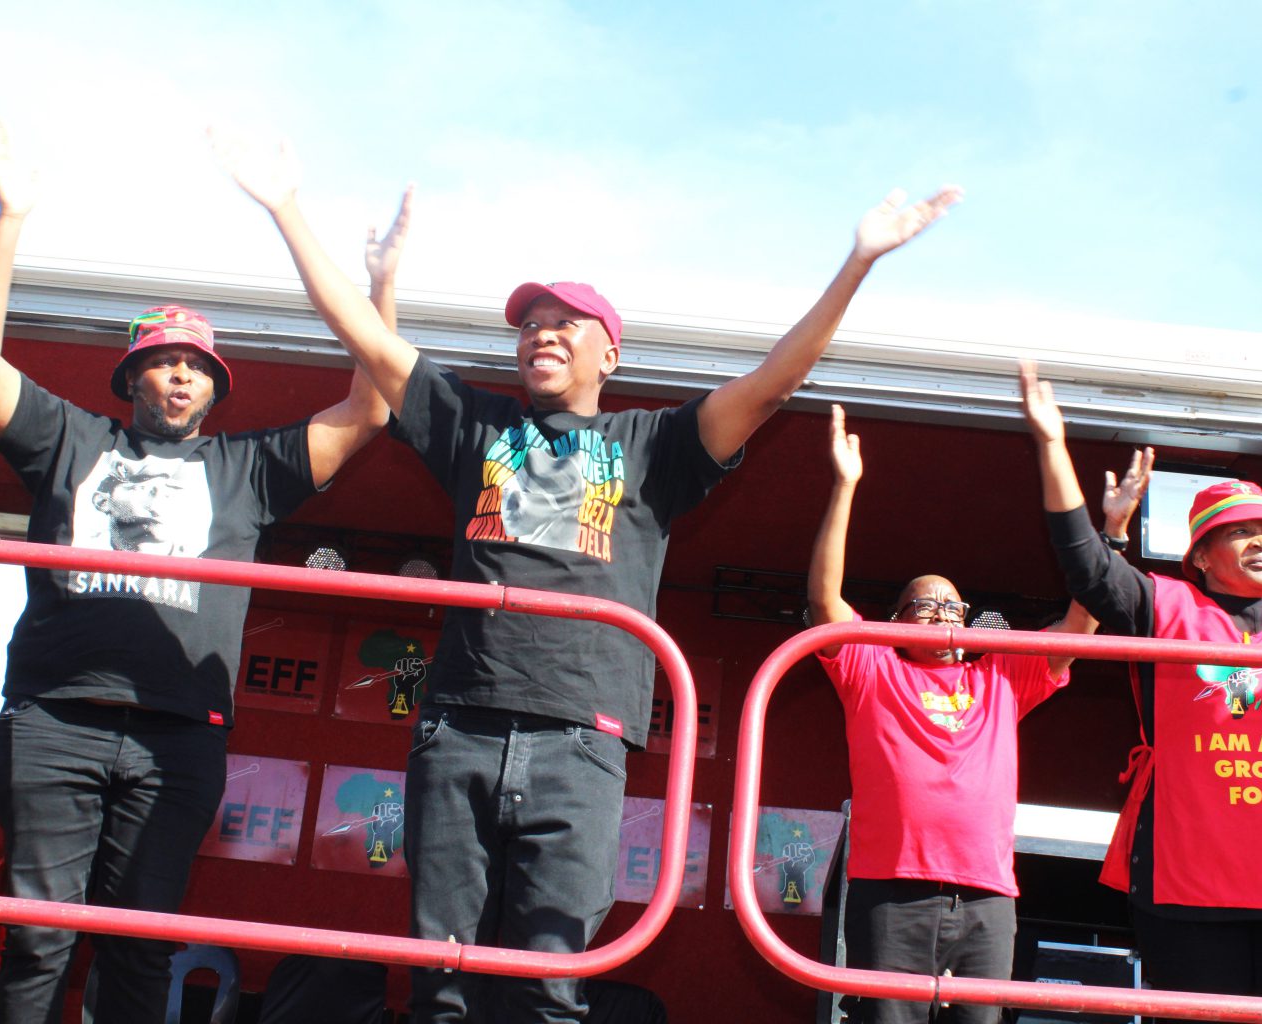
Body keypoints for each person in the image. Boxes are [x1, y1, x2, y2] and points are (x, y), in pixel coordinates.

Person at [217, 132, 962, 1021]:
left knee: (548, 993)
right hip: (458, 729)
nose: (541, 335)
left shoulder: (651, 446)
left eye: (564, 324)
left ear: (610, 354)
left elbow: (772, 383)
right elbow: (366, 341)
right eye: (530, 325)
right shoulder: (472, 425)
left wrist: (858, 262)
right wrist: (288, 211)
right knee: (441, 988)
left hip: (582, 740)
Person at [0, 124, 395, 1024]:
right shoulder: (72, 439)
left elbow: (372, 405)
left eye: (196, 366)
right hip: (56, 718)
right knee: (36, 932)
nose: (180, 377)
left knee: (140, 941)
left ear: (217, 386)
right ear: (131, 376)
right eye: (163, 362)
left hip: (180, 735)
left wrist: (380, 284)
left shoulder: (247, 469)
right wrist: (11, 219)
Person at [1018, 359, 1262, 1007]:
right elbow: (1087, 572)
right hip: (1192, 886)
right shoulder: (1169, 609)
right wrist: (1052, 444)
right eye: (1239, 532)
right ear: (1199, 555)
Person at [807, 405, 1095, 1024]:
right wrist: (845, 485)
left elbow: (1080, 627)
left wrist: (1111, 539)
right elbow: (823, 602)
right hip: (894, 891)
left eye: (954, 607)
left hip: (990, 897)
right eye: (924, 606)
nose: (941, 614)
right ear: (894, 621)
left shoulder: (1000, 674)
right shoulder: (872, 667)